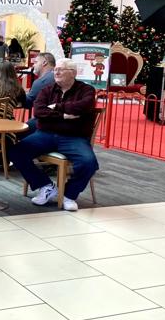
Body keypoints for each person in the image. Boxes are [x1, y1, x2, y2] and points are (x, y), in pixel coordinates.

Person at [8, 58, 99, 212]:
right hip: (46, 134)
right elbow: (39, 111)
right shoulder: (48, 90)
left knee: (88, 162)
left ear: (73, 73)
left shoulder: (86, 90)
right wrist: (64, 115)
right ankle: (46, 186)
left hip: (74, 137)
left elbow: (83, 107)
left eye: (61, 69)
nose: (56, 72)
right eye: (56, 69)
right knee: (15, 152)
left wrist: (56, 107)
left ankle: (69, 195)